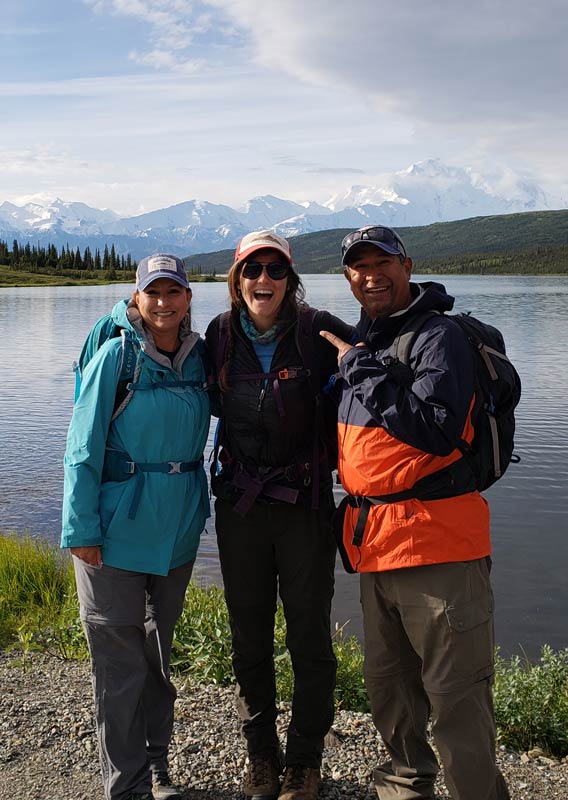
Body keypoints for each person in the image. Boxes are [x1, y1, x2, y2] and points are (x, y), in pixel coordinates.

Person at [320, 225, 510, 800]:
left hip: (440, 547)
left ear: (408, 267)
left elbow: (435, 428)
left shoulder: (437, 336)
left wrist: (358, 368)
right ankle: (405, 789)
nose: (371, 274)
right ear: (348, 276)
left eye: (384, 263)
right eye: (359, 266)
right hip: (377, 546)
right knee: (391, 693)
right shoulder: (368, 340)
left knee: (457, 701)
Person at [205, 230, 355, 800]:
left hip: (306, 509)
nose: (263, 280)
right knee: (248, 637)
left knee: (310, 637)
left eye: (275, 270)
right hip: (240, 510)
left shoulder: (321, 333)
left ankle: (304, 761)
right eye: (252, 270)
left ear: (290, 280)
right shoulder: (217, 338)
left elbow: (382, 354)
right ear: (236, 280)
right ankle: (261, 757)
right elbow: (157, 342)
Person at [61, 254, 210, 800]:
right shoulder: (115, 357)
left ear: (189, 299)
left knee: (157, 656)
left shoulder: (199, 358)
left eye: (175, 292)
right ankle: (125, 788)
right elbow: (81, 449)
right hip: (115, 532)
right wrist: (80, 530)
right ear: (138, 298)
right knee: (119, 667)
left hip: (177, 534)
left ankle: (156, 764)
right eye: (155, 292)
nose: (165, 303)